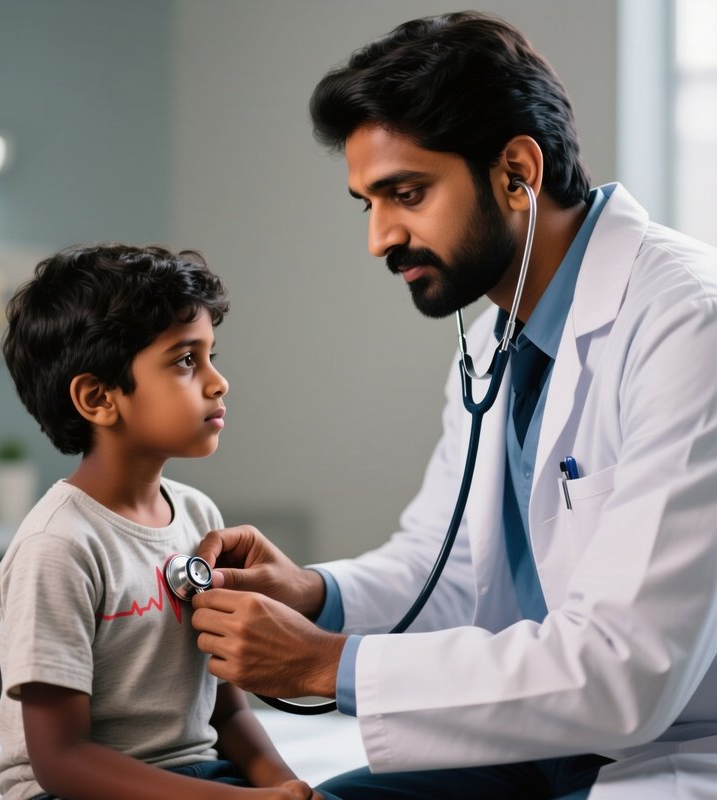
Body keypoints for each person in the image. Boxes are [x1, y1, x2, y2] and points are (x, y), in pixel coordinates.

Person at [189, 10, 717, 800]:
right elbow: (446, 569)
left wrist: (323, 664)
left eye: (406, 193)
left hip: (666, 754)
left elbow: (626, 668)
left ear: (516, 173)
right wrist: (315, 596)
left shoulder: (688, 325)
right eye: (366, 203)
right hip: (527, 749)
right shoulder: (494, 340)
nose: (379, 238)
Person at [0, 244, 329, 800]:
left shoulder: (199, 516)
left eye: (211, 355)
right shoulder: (59, 546)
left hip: (197, 776)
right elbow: (61, 760)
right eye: (185, 360)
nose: (218, 382)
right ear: (98, 397)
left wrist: (286, 786)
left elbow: (226, 711)